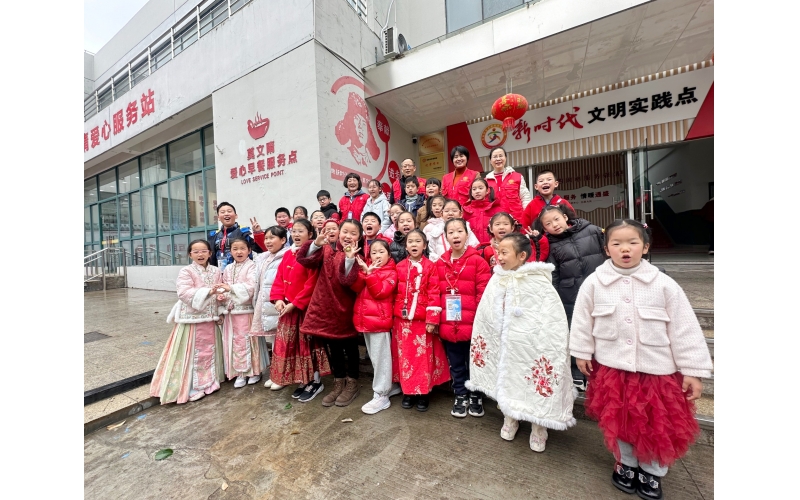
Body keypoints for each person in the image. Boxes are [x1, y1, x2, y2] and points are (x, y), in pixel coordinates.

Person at [570, 219, 712, 499]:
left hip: (657, 373)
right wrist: (581, 352)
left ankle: (652, 471)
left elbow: (684, 328)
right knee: (619, 421)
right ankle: (627, 464)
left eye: (632, 242)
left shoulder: (664, 284)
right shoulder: (594, 283)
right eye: (617, 243)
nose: (625, 249)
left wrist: (692, 370)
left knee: (656, 425)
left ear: (645, 247)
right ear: (606, 249)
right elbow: (582, 320)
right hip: (613, 371)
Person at [467, 233, 576, 452]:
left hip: (531, 343)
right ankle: (510, 417)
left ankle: (538, 426)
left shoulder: (538, 281)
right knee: (508, 377)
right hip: (506, 343)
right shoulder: (497, 278)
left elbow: (551, 317)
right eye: (498, 252)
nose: (499, 257)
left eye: (504, 252)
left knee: (533, 381)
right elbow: (486, 314)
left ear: (522, 255)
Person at [537, 204, 606, 395]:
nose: (554, 225)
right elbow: (553, 274)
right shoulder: (550, 244)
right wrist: (554, 298)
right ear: (544, 228)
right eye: (548, 223)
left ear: (565, 217)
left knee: (600, 331)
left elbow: (608, 253)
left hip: (599, 290)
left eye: (556, 219)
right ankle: (577, 372)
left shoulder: (591, 231)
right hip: (569, 294)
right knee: (575, 333)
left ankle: (599, 373)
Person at [296, 219, 364, 407]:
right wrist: (316, 244)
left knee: (350, 347)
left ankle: (352, 382)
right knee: (334, 347)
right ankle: (338, 381)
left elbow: (346, 281)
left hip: (346, 309)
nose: (348, 236)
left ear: (359, 237)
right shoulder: (326, 250)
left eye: (353, 233)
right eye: (345, 232)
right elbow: (305, 260)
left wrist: (350, 259)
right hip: (326, 310)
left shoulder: (358, 256)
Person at [150, 239, 224, 404]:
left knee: (209, 351)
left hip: (210, 319)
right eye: (196, 251)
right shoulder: (186, 271)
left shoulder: (216, 271)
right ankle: (191, 387)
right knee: (191, 354)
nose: (200, 254)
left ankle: (209, 382)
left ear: (210, 253)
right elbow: (183, 292)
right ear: (190, 255)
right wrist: (207, 292)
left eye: (203, 251)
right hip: (192, 319)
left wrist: (220, 303)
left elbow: (220, 291)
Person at [435, 218, 492, 418]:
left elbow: (483, 294)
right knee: (456, 363)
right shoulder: (440, 263)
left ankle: (476, 394)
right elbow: (436, 293)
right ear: (446, 237)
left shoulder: (478, 261)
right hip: (449, 324)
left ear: (467, 234)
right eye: (451, 232)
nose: (455, 235)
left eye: (459, 231)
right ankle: (460, 393)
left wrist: (478, 320)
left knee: (475, 362)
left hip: (473, 324)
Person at [269, 219, 330, 403]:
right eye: (294, 231)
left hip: (304, 310)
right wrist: (278, 299)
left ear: (310, 234)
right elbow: (279, 278)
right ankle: (303, 380)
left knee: (308, 347)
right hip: (287, 309)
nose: (296, 234)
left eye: (300, 231)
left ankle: (315, 381)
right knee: (293, 347)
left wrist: (295, 303)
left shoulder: (313, 255)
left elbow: (312, 283)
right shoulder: (288, 254)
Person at [340, 239, 402, 414]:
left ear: (389, 255)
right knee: (377, 358)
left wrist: (369, 273)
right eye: (374, 252)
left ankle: (382, 395)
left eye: (381, 252)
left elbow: (380, 292)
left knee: (381, 358)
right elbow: (356, 286)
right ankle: (390, 386)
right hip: (365, 321)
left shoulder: (391, 272)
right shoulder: (366, 268)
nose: (377, 255)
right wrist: (362, 269)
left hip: (379, 322)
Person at [392, 229, 450, 411]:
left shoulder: (430, 267)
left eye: (418, 241)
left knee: (423, 358)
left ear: (424, 245)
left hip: (422, 322)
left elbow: (434, 292)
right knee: (405, 357)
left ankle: (424, 393)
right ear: (406, 246)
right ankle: (408, 392)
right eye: (410, 241)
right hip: (402, 322)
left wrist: (432, 319)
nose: (414, 244)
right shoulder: (399, 266)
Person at [218, 238, 263, 388]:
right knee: (233, 342)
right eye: (235, 249)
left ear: (249, 250)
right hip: (231, 313)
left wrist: (230, 289)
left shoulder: (253, 266)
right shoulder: (228, 268)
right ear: (230, 251)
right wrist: (222, 296)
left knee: (247, 341)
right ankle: (239, 373)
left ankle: (254, 372)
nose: (239, 252)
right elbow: (224, 286)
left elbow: (251, 287)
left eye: (242, 248)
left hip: (246, 311)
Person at [250, 226, 290, 388]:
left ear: (283, 240)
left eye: (272, 238)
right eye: (266, 238)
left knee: (282, 341)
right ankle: (276, 374)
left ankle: (282, 376)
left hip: (279, 303)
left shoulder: (287, 255)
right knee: (274, 340)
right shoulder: (263, 257)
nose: (268, 241)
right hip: (265, 302)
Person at [481, 212, 549, 267]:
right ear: (491, 229)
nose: (501, 227)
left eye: (506, 224)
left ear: (512, 228)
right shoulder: (487, 250)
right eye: (497, 224)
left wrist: (538, 238)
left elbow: (541, 254)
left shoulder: (521, 245)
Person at [208, 202, 262, 269]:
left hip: (242, 270)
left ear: (236, 216)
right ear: (218, 217)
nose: (226, 214)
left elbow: (260, 249)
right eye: (222, 212)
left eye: (229, 211)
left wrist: (258, 233)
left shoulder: (245, 231)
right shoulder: (214, 235)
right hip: (219, 271)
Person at [483, 146, 532, 222]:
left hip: (516, 221)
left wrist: (527, 217)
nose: (498, 159)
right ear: (490, 161)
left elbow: (525, 198)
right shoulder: (485, 181)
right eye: (495, 157)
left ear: (505, 158)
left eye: (501, 156)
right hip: (495, 222)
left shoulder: (517, 177)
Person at [463, 177, 503, 246]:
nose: (477, 191)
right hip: (472, 248)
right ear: (471, 193)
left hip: (492, 247)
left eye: (480, 188)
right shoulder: (465, 210)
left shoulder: (496, 209)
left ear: (487, 191)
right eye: (474, 189)